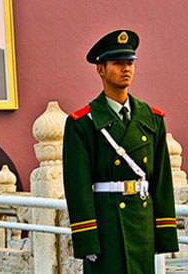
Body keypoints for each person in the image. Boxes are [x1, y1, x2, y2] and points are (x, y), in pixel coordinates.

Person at [63, 29, 178, 274]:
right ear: (101, 69)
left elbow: (161, 181)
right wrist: (86, 239)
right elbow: (78, 187)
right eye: (117, 63)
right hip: (106, 226)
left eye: (130, 63)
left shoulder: (152, 118)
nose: (126, 69)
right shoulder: (82, 123)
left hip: (141, 223)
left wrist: (164, 232)